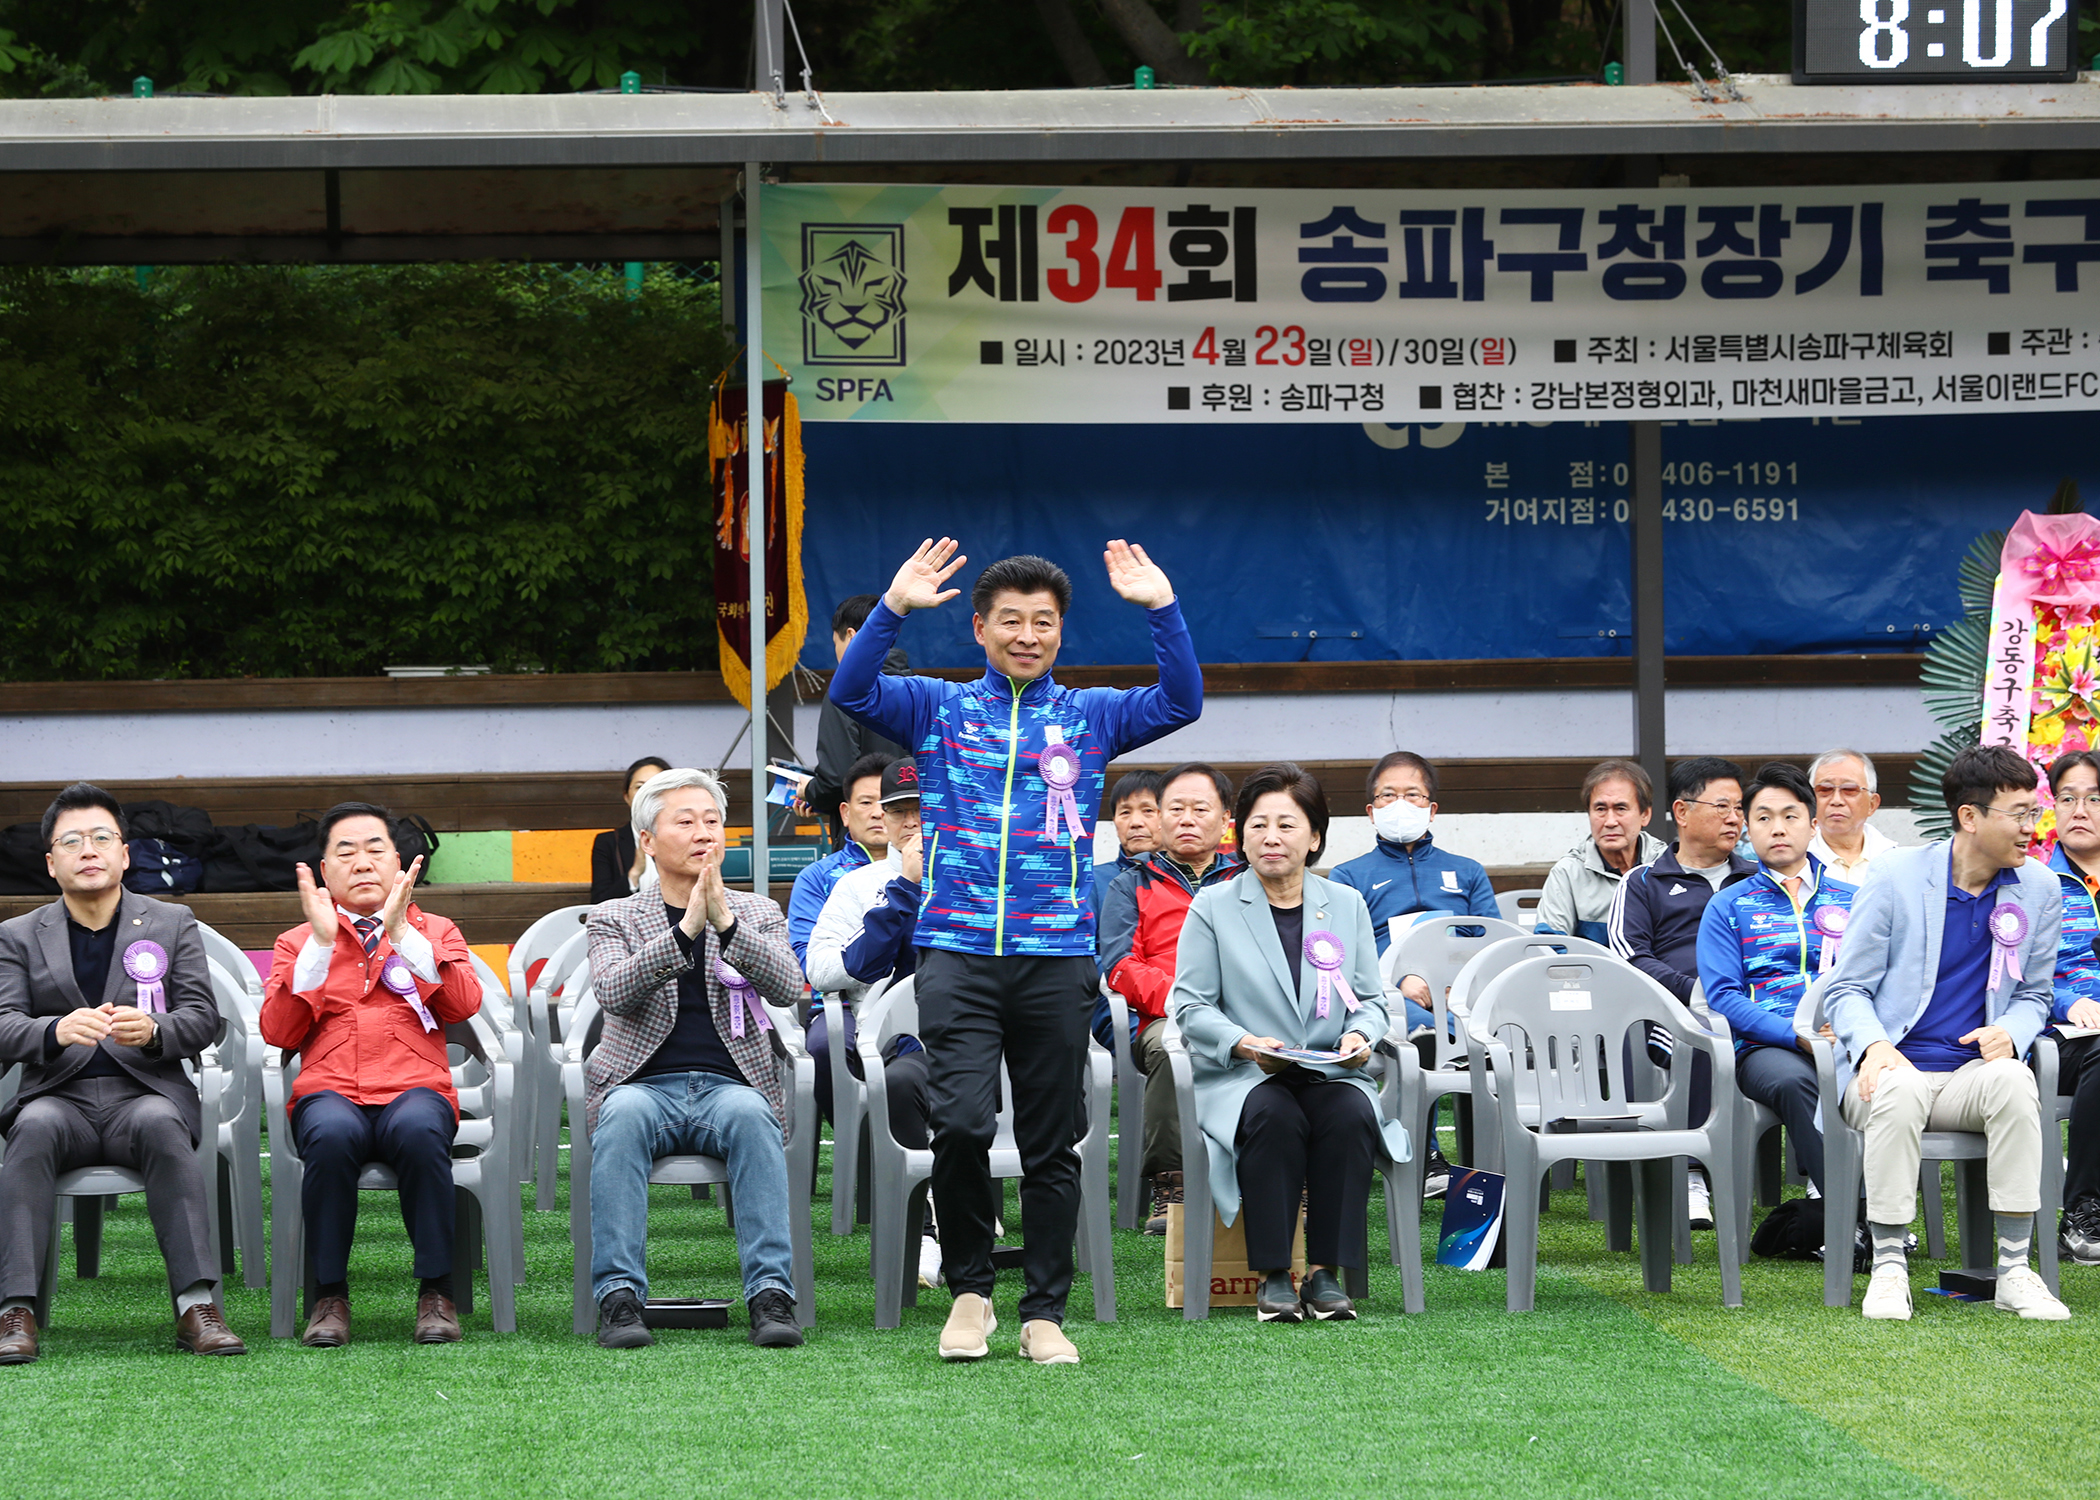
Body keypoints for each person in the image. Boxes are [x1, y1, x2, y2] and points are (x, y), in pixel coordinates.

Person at [831, 537, 1201, 1365]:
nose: (1027, 634)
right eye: (1010, 621)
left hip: (1056, 957)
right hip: (956, 952)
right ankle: (969, 1294)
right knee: (959, 1125)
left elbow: (1183, 700)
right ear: (978, 629)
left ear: (1061, 631)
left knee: (1051, 1141)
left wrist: (1162, 608)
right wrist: (892, 607)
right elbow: (852, 690)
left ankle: (1043, 1312)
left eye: (1043, 621)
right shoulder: (936, 708)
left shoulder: (1093, 717)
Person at [0, 783, 245, 1364]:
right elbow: (3, 1025)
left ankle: (196, 1305)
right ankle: (15, 1311)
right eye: (73, 841)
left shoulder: (172, 920)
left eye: (102, 837)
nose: (89, 850)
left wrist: (157, 1032)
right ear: (51, 862)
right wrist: (51, 1031)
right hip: (59, 1099)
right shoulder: (16, 935)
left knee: (163, 1125)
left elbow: (204, 1019)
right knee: (30, 1131)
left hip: (146, 1093)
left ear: (125, 853)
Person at [1825, 743, 2069, 1322]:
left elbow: (2036, 994)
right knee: (1900, 1085)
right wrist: (1876, 1045)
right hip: (1888, 1074)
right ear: (1970, 816)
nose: (2032, 828)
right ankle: (1888, 1267)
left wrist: (2010, 1029)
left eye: (2035, 813)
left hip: (1968, 1078)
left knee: (2013, 1079)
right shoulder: (1895, 876)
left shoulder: (2040, 888)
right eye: (2019, 814)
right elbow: (1845, 989)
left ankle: (2014, 1269)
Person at [1168, 763, 1405, 1324]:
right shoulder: (1213, 906)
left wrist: (1359, 1035)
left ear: (1315, 836)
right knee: (1273, 1113)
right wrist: (1245, 1043)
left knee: (1349, 1112)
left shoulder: (1345, 904)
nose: (1271, 837)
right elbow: (1189, 1005)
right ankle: (1274, 1275)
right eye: (1257, 825)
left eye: (1287, 825)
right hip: (1246, 1074)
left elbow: (1373, 1000)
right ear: (1240, 835)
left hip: (1329, 1070)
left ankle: (1324, 1273)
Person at [584, 768, 811, 1351]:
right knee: (622, 1118)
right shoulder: (615, 916)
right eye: (684, 821)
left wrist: (726, 924)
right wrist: (684, 933)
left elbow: (790, 986)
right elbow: (613, 991)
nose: (703, 832)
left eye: (713, 821)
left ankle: (770, 1295)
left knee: (753, 1117)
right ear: (647, 840)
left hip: (729, 1085)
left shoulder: (756, 910)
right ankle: (618, 1297)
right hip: (642, 1085)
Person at [260, 801, 483, 1348]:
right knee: (332, 1136)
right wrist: (317, 945)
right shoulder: (297, 940)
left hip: (416, 1086)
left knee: (420, 1131)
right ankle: (329, 1294)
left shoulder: (437, 929)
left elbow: (462, 1004)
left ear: (402, 864)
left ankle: (436, 1290)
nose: (362, 863)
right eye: (346, 852)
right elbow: (279, 1032)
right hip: (330, 1090)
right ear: (325, 873)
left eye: (375, 849)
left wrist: (404, 934)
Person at [1696, 762, 1856, 1223]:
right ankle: (1852, 1215)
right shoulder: (1728, 905)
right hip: (1767, 1047)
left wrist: (1849, 1032)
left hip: (1847, 1036)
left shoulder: (1854, 898)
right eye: (1763, 818)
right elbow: (1724, 996)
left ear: (1813, 822)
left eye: (1789, 815)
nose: (1778, 828)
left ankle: (1874, 1212)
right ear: (1748, 830)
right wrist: (1795, 1035)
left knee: (1884, 1078)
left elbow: (1877, 979)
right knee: (1795, 1081)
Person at [1331, 750, 1494, 1195]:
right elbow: (1344, 954)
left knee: (1481, 1022)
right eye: (1387, 795)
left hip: (1463, 994)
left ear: (1431, 808)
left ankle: (1499, 1161)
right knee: (1415, 1032)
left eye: (1412, 795)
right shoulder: (1348, 876)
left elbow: (1493, 943)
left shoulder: (1468, 872)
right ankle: (1426, 1156)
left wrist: (1455, 982)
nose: (1399, 804)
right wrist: (1400, 977)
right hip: (1387, 995)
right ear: (1370, 811)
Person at [805, 757, 938, 1285]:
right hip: (891, 1039)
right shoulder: (857, 886)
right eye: (898, 811)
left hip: (979, 1033)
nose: (910, 823)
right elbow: (822, 968)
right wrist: (904, 887)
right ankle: (925, 1223)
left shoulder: (983, 873)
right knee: (901, 1079)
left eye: (921, 811)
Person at [1608, 756, 1753, 1229]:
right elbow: (1631, 957)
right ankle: (1692, 1173)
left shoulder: (1758, 879)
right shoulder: (1644, 882)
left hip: (1756, 1014)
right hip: (1677, 1016)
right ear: (1683, 811)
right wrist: (1694, 993)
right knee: (1699, 1039)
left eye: (1740, 806)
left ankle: (1824, 1181)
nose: (1736, 817)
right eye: (1723, 806)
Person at [1095, 763, 1240, 1234]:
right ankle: (1171, 1180)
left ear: (1225, 820)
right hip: (1165, 1017)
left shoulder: (1248, 878)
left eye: (1201, 809)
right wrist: (1184, 1002)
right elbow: (1118, 964)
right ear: (1161, 819)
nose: (1186, 819)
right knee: (1168, 1048)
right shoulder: (1131, 883)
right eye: (1175, 809)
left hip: (1244, 1015)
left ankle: (1278, 1175)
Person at [2042, 750, 2100, 1264]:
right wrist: (2069, 1000)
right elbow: (2013, 974)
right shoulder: (2032, 884)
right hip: (2059, 1035)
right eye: (2067, 798)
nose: (2079, 809)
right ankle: (2082, 1211)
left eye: (2094, 798)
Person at [804, 594, 910, 850]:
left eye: (836, 644)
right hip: (912, 833)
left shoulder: (845, 692)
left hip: (863, 842)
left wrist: (808, 792)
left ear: (850, 636)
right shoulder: (916, 690)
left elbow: (836, 777)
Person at [1535, 758, 1666, 945]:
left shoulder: (1666, 865)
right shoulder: (1568, 872)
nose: (1610, 821)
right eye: (1600, 809)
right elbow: (1549, 947)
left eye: (1621, 809)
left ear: (1645, 815)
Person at [786, 752, 892, 980]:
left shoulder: (932, 869)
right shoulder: (816, 877)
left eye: (887, 803)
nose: (877, 813)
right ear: (845, 813)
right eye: (866, 802)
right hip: (839, 1008)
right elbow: (808, 962)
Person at [1807, 749, 1899, 883]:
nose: (1836, 800)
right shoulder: (1796, 859)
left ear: (1872, 804)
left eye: (1849, 790)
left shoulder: (1894, 860)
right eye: (1825, 790)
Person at [589, 756, 671, 905]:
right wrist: (634, 873)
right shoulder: (608, 843)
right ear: (626, 796)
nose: (647, 794)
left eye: (656, 786)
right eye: (640, 787)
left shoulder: (686, 837)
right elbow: (598, 903)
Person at [1094, 770, 1164, 918]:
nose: (1135, 823)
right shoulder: (1093, 881)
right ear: (1114, 821)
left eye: (1148, 810)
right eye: (1125, 812)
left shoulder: (1187, 877)